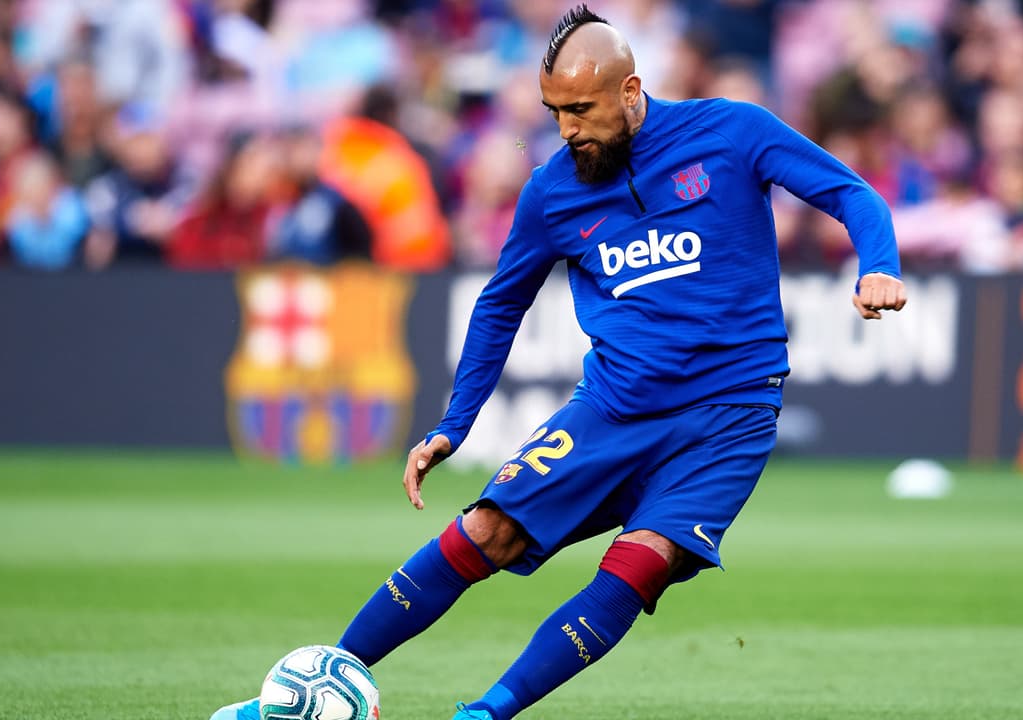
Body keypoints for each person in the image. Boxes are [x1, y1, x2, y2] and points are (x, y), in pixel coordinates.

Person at [210, 5, 905, 719]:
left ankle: (484, 714)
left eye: (580, 110)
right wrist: (455, 424)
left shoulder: (732, 132)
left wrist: (878, 265)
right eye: (554, 112)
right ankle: (309, 691)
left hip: (729, 415)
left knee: (640, 562)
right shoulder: (552, 191)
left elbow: (850, 192)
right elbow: (499, 304)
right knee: (487, 531)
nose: (566, 129)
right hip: (612, 408)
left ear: (630, 92)